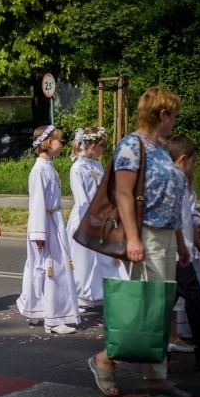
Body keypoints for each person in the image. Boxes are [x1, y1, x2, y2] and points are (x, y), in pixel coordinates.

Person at [89, 87, 191, 397]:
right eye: (173, 115)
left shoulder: (159, 147)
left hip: (165, 237)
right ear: (162, 115)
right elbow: (123, 195)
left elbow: (169, 202)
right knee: (145, 308)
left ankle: (157, 381)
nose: (174, 122)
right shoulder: (132, 146)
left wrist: (179, 240)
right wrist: (133, 238)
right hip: (144, 236)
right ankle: (106, 359)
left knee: (158, 310)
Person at [17, 125, 80, 334]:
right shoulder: (39, 170)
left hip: (54, 220)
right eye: (59, 140)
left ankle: (40, 310)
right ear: (47, 143)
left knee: (53, 268)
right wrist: (38, 234)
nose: (61, 144)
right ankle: (53, 319)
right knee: (53, 269)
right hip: (45, 224)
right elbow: (36, 202)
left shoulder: (48, 167)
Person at [66, 127, 126, 307]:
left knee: (100, 258)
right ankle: (77, 295)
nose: (104, 149)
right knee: (82, 258)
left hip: (100, 216)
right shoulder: (77, 168)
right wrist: (90, 220)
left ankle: (97, 292)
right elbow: (81, 198)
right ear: (92, 145)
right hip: (84, 218)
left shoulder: (97, 165)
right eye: (103, 146)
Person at [165, 135, 200, 369]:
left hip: (181, 249)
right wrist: (182, 247)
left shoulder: (181, 180)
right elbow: (174, 218)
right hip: (176, 252)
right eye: (194, 162)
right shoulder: (173, 180)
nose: (194, 167)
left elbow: (189, 211)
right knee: (195, 299)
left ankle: (160, 350)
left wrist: (198, 223)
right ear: (182, 159)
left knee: (167, 302)